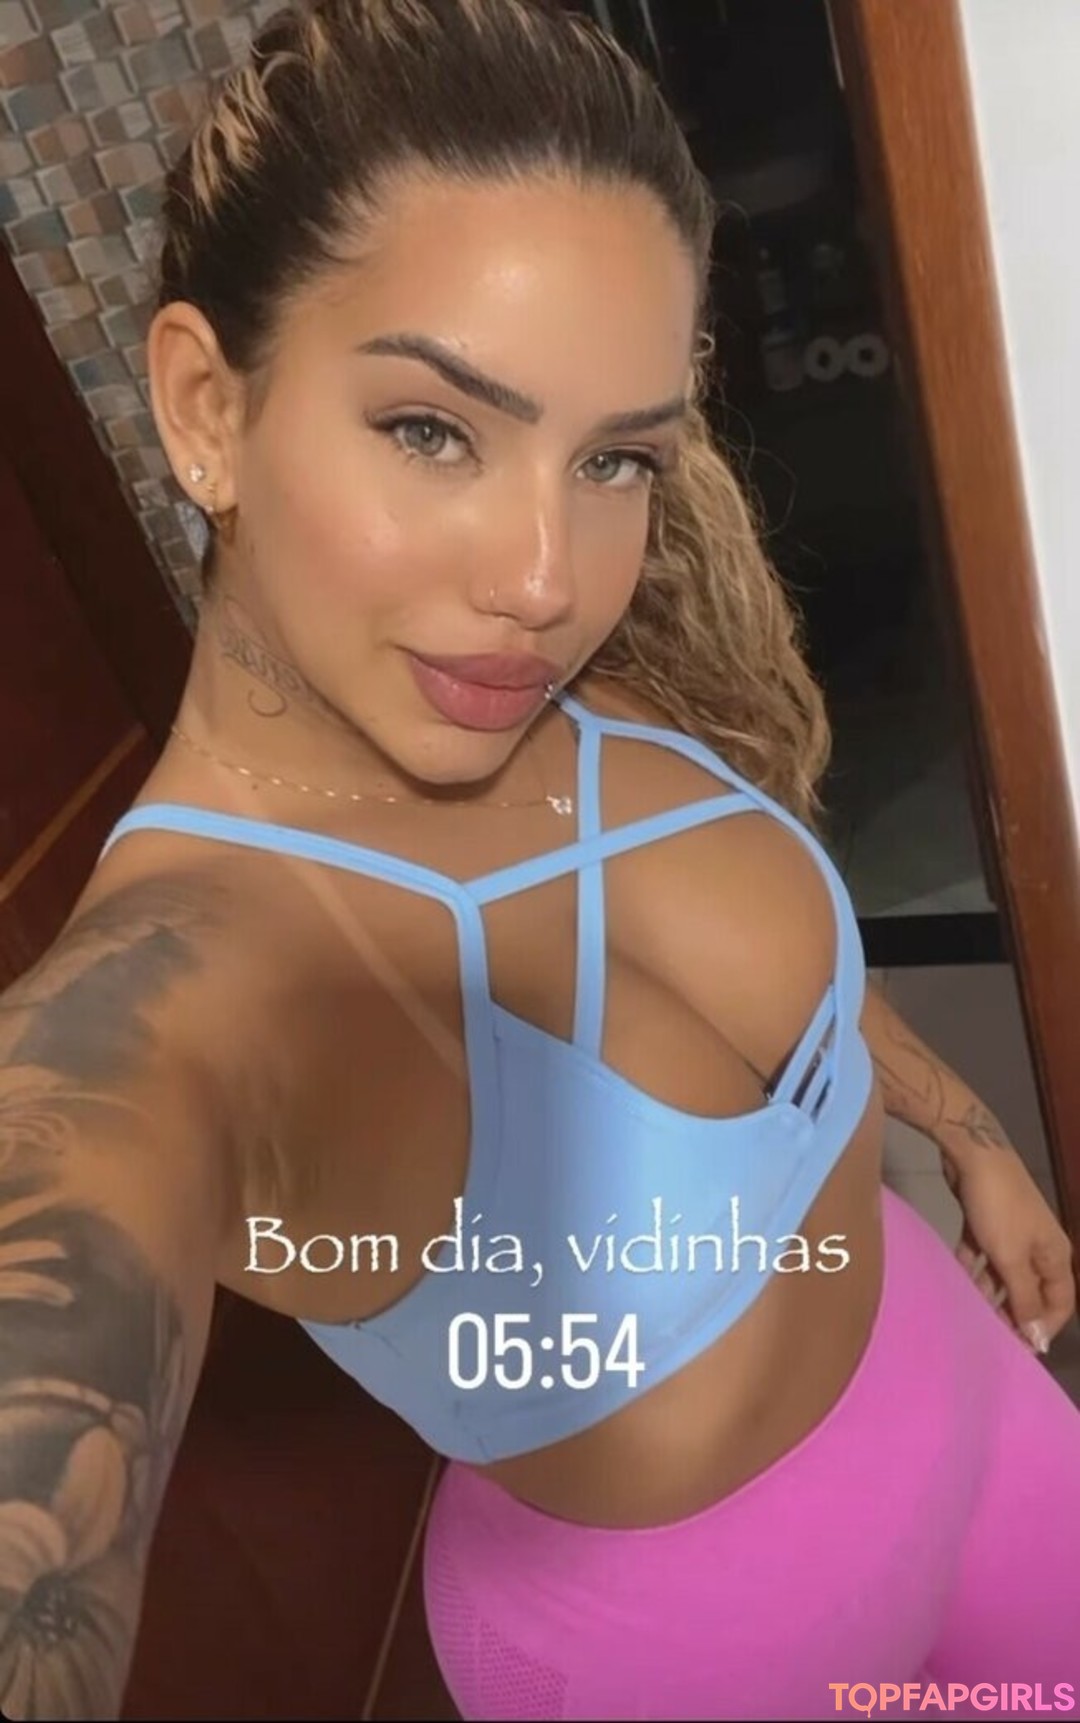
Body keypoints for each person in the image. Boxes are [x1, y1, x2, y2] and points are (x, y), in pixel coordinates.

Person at [1, 2, 1077, 1718]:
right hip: (704, 1660)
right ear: (207, 407)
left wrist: (970, 1139)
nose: (544, 577)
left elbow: (796, 1015)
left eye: (613, 459)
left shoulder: (581, 694)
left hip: (976, 1415)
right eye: (433, 429)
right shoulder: (191, 990)